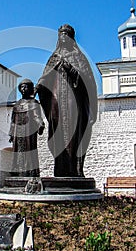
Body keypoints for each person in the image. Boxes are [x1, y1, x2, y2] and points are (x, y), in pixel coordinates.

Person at [36, 24, 97, 177]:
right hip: (56, 99)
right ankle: (60, 169)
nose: (63, 37)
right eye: (61, 35)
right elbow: (45, 77)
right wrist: (39, 86)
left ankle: (74, 169)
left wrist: (71, 69)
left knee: (73, 130)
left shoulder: (78, 57)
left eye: (66, 34)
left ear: (71, 38)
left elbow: (88, 80)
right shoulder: (54, 57)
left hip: (73, 100)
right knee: (58, 130)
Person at [9, 79, 45, 177]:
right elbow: (13, 120)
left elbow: (36, 116)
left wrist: (40, 124)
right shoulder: (17, 104)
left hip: (28, 131)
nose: (24, 89)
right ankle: (17, 173)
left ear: (30, 89)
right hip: (18, 132)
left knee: (29, 151)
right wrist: (11, 133)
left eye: (26, 87)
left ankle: (30, 173)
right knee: (17, 152)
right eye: (22, 87)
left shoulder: (34, 102)